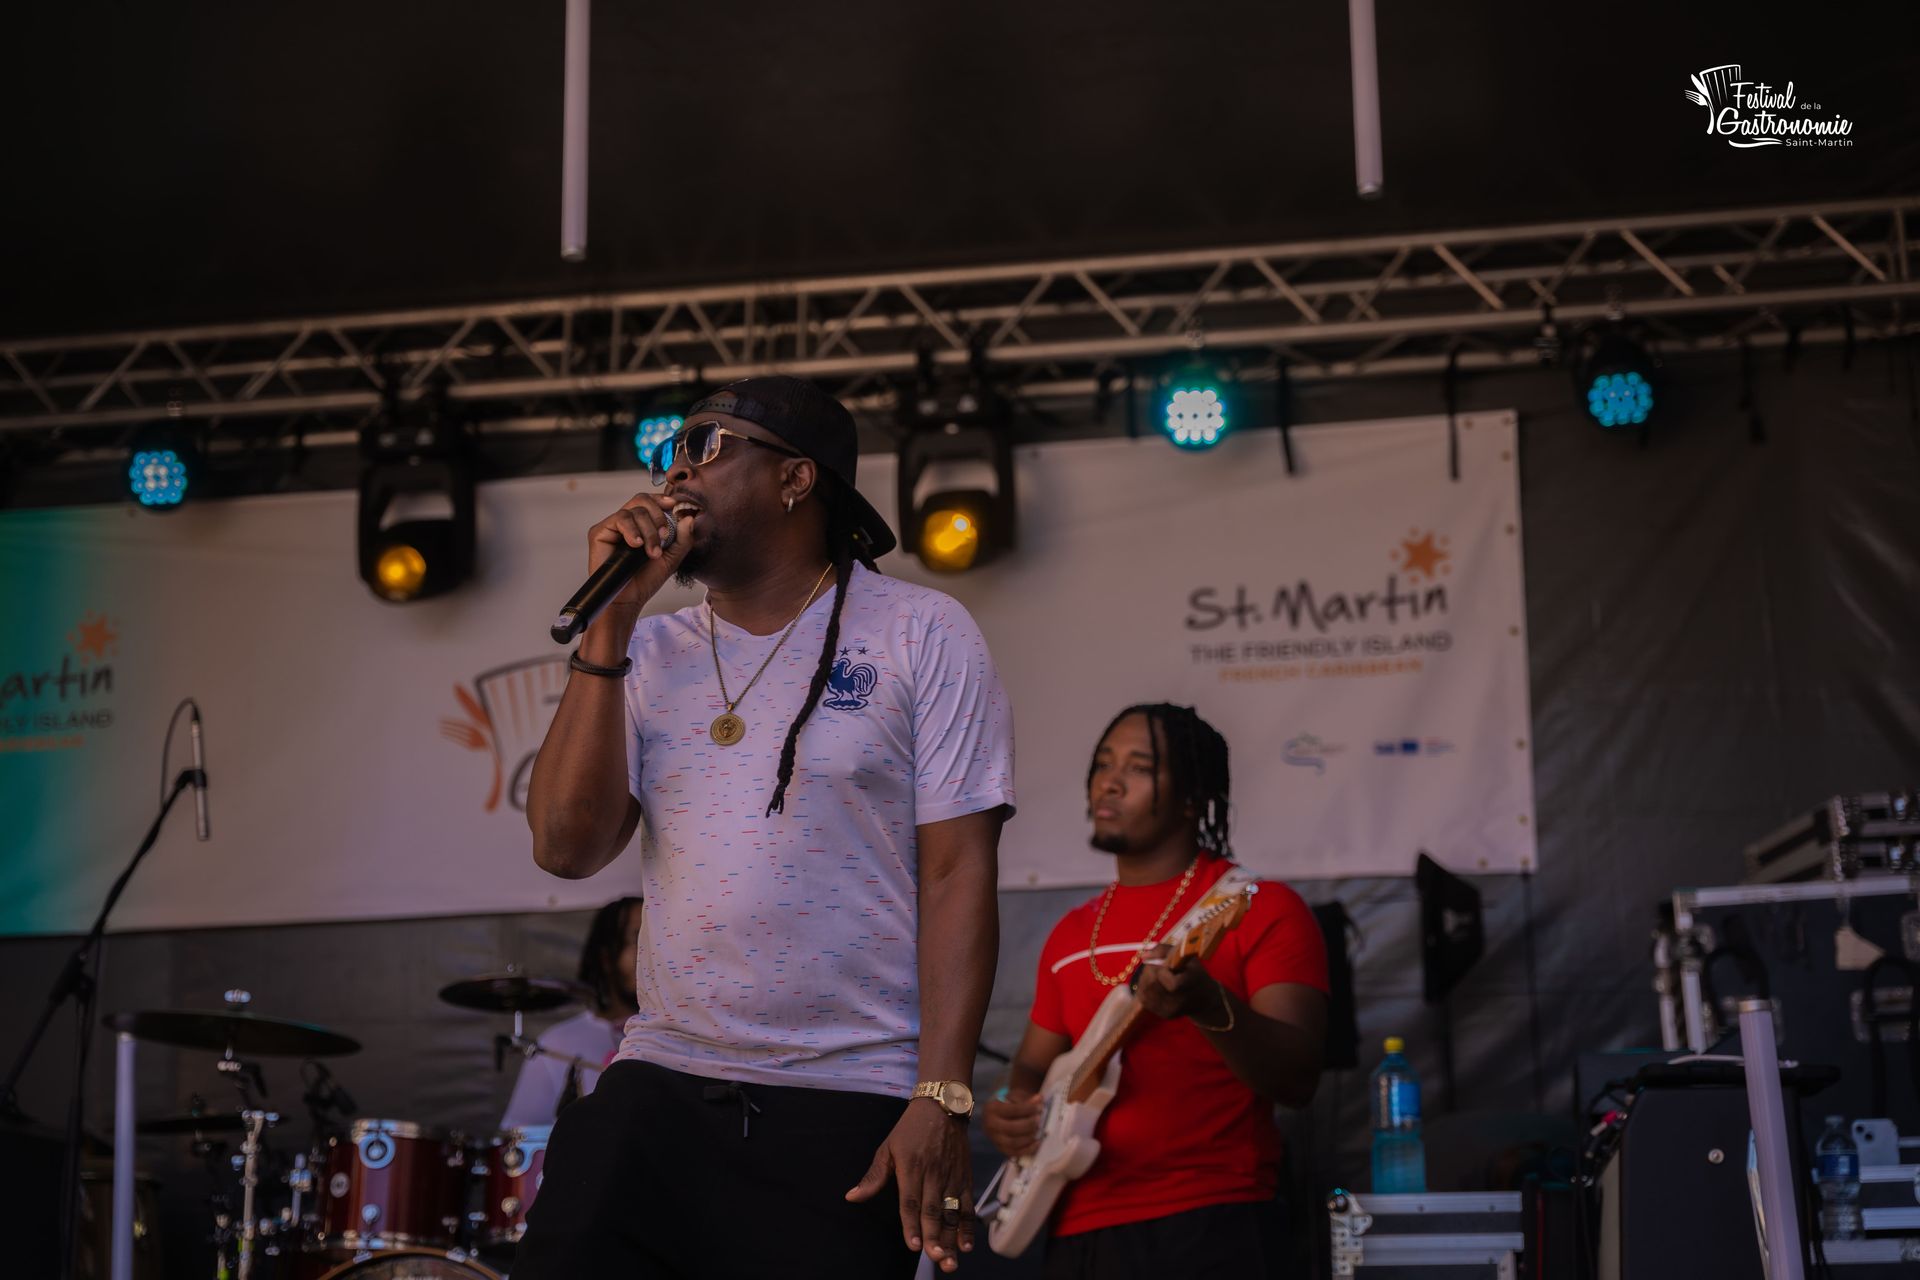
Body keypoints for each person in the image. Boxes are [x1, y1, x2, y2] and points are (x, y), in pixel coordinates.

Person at [519, 375, 1014, 1280]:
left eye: (707, 447)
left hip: (846, 1092)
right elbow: (565, 847)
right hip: (663, 1076)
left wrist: (941, 1096)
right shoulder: (647, 651)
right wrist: (611, 626)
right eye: (671, 452)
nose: (677, 473)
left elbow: (958, 875)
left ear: (795, 479)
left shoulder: (921, 633)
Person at [981, 704, 1327, 1280]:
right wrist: (1009, 1107)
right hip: (1075, 1230)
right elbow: (1033, 1069)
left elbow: (1298, 1079)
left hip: (1212, 1221)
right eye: (1103, 764)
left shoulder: (1260, 908)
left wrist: (1209, 1006)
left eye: (1140, 768)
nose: (1110, 782)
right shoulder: (1070, 934)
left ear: (1192, 798)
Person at [498, 895, 643, 1130]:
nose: (654, 954)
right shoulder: (558, 1044)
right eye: (639, 940)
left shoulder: (681, 1036)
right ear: (607, 958)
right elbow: (520, 1138)